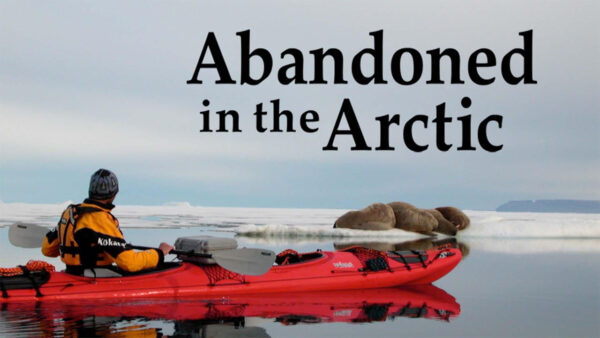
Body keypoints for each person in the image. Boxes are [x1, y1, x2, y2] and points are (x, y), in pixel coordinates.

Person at [42, 168, 174, 275]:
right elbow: (129, 263)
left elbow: (47, 250)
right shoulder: (100, 219)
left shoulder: (70, 213)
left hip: (71, 273)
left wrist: (83, 247)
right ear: (114, 193)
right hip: (93, 276)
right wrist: (160, 253)